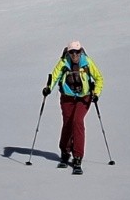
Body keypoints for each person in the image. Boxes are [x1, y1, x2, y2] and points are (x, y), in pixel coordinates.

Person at [43, 40, 103, 173]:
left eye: (77, 52)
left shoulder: (87, 62)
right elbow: (54, 76)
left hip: (84, 97)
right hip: (67, 97)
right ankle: (65, 151)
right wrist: (48, 88)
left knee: (77, 121)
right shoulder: (64, 63)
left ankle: (77, 156)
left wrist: (96, 93)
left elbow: (99, 78)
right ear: (68, 53)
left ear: (81, 51)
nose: (74, 55)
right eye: (72, 52)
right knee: (68, 123)